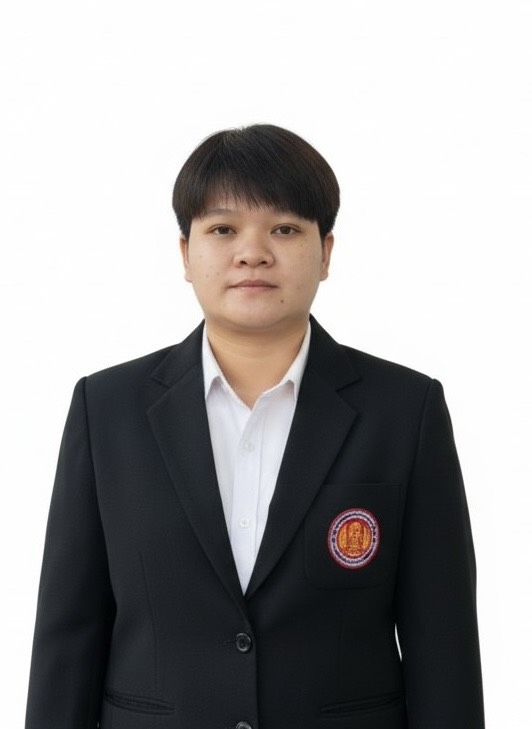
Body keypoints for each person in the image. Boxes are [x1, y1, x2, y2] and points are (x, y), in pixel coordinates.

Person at [24, 124, 485, 729]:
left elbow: (444, 641)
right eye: (223, 230)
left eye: (284, 229)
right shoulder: (107, 408)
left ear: (326, 253)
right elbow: (69, 633)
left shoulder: (405, 411)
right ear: (185, 254)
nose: (252, 252)